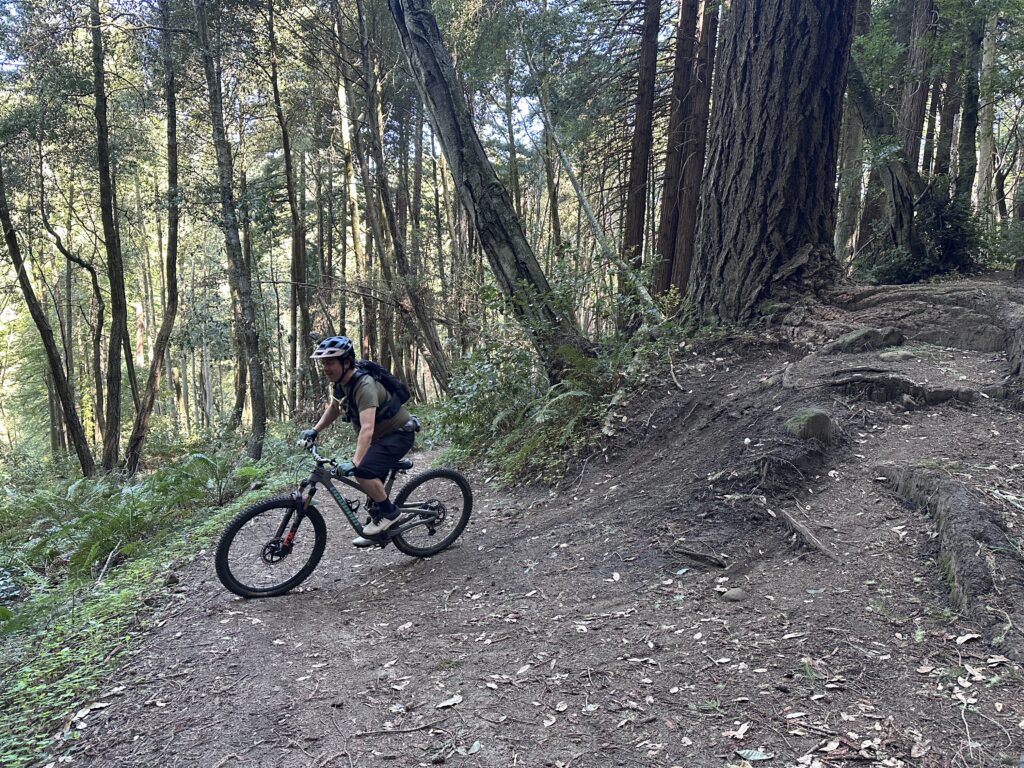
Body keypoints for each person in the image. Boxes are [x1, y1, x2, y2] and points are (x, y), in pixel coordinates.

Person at [298, 336, 417, 539]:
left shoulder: (364, 386)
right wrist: (315, 430)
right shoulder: (341, 383)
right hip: (381, 437)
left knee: (363, 472)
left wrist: (355, 462)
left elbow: (367, 428)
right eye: (324, 363)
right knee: (369, 484)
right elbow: (334, 409)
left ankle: (390, 513)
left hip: (398, 435)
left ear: (346, 363)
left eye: (330, 362)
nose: (326, 368)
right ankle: (378, 524)